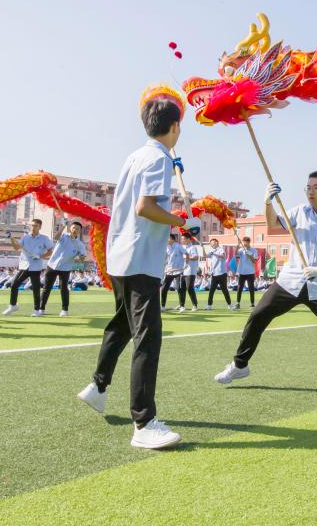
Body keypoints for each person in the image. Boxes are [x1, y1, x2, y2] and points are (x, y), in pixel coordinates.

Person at [76, 85, 200, 449]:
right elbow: (145, 208)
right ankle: (144, 422)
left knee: (121, 325)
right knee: (148, 336)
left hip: (121, 255)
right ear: (175, 127)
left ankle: (98, 386)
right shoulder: (159, 159)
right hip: (140, 258)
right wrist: (182, 223)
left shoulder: (137, 156)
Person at [214, 171, 317, 395]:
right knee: (258, 316)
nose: (310, 191)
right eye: (308, 187)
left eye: (316, 187)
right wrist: (268, 201)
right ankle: (240, 365)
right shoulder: (299, 212)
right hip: (290, 281)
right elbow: (272, 224)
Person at [2, 219, 54, 317]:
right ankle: (13, 305)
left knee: (35, 289)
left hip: (36, 267)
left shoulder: (44, 238)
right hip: (24, 265)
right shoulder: (25, 237)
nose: (33, 227)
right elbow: (16, 248)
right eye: (32, 225)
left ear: (40, 227)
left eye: (36, 226)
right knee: (14, 285)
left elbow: (51, 251)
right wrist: (11, 238)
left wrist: (40, 256)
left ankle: (36, 310)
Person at [42, 219, 87, 316]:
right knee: (47, 288)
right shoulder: (63, 236)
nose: (75, 230)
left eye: (77, 229)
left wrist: (81, 257)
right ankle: (41, 308)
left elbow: (82, 259)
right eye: (73, 228)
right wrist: (63, 226)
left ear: (80, 231)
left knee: (64, 288)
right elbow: (55, 237)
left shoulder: (80, 245)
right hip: (52, 265)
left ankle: (64, 310)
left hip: (65, 268)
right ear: (70, 228)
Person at [204, 238, 234, 310]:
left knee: (225, 291)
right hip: (214, 274)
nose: (211, 244)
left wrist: (214, 253)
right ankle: (209, 305)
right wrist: (202, 247)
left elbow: (223, 256)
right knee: (211, 291)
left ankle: (230, 305)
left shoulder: (221, 249)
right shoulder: (211, 251)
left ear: (217, 243)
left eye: (213, 242)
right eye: (211, 243)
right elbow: (205, 256)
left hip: (222, 273)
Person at [160, 234, 184, 311]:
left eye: (168, 238)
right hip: (169, 271)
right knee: (164, 289)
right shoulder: (166, 247)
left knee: (179, 288)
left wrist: (185, 265)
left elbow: (186, 254)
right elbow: (164, 259)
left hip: (178, 271)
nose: (167, 240)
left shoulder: (178, 246)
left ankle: (182, 306)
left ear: (173, 239)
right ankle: (163, 306)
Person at [234, 236, 259, 309]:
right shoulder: (241, 250)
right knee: (239, 288)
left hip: (250, 272)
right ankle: (237, 303)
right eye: (243, 242)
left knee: (251, 288)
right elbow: (235, 254)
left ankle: (252, 304)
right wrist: (238, 244)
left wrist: (250, 255)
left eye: (245, 242)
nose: (244, 243)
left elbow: (254, 261)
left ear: (248, 242)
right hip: (242, 272)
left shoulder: (254, 250)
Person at [177, 234, 200, 312]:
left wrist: (186, 258)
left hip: (190, 271)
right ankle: (182, 305)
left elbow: (196, 257)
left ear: (189, 239)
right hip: (182, 271)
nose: (182, 240)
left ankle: (195, 305)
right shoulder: (182, 248)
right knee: (181, 289)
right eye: (181, 239)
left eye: (183, 239)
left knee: (190, 288)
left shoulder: (192, 247)